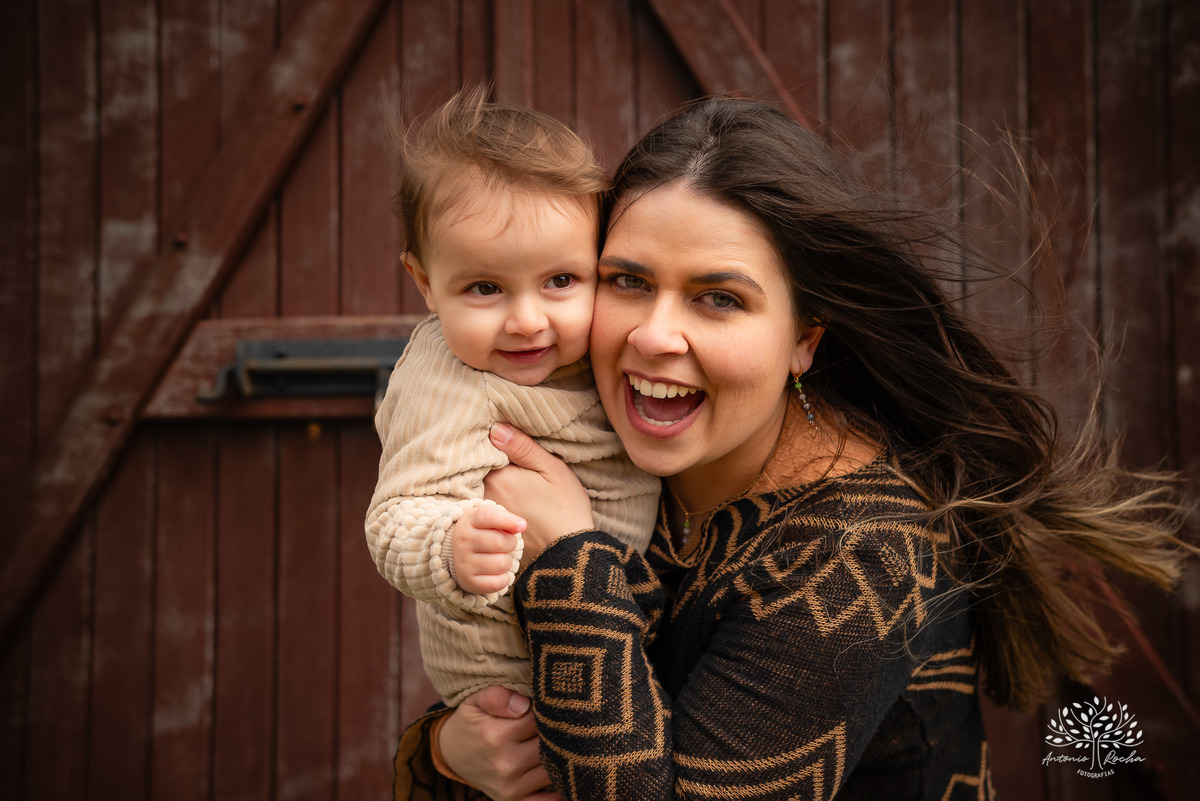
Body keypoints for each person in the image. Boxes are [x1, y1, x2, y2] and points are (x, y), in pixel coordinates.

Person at [393, 98, 1192, 801]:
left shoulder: (859, 553)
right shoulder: (625, 456)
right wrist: (450, 749)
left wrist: (571, 555)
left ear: (803, 338)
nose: (655, 335)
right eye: (628, 281)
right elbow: (550, 705)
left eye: (719, 297)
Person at [364, 91, 660, 710]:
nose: (527, 321)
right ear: (425, 284)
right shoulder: (447, 380)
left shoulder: (601, 349)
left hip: (618, 640)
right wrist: (450, 546)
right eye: (485, 287)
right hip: (509, 675)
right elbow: (394, 518)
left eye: (561, 280)